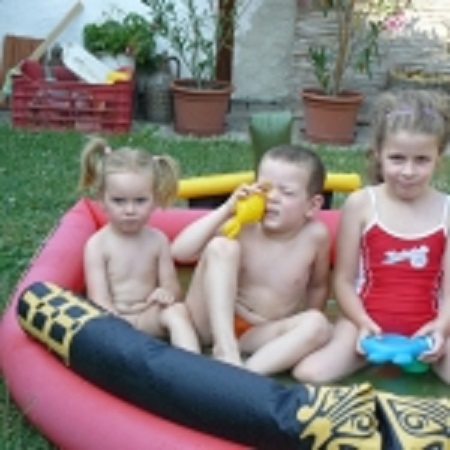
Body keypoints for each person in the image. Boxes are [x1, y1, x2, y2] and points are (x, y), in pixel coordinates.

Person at [294, 89, 450, 384]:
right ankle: (371, 359)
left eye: (421, 160)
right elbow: (342, 281)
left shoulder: (446, 211)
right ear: (378, 153)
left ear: (438, 159)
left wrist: (441, 328)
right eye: (397, 158)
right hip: (365, 324)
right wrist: (363, 323)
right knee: (310, 373)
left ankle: (422, 359)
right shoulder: (362, 204)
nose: (408, 171)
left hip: (430, 328)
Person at [171, 144, 332, 376]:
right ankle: (224, 348)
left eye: (286, 192)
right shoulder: (244, 223)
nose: (272, 197)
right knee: (222, 247)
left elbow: (318, 286)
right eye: (265, 188)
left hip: (257, 333)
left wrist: (300, 336)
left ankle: (246, 376)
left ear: (312, 205)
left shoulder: (315, 237)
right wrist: (227, 209)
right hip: (209, 323)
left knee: (318, 324)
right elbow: (180, 252)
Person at [79, 137, 199, 353]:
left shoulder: (158, 240)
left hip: (146, 316)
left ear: (155, 200)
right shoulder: (97, 245)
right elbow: (98, 300)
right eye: (119, 201)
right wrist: (121, 329)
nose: (130, 210)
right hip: (114, 320)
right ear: (102, 200)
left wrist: (165, 293)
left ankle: (192, 365)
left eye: (140, 201)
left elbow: (173, 288)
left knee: (178, 311)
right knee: (104, 326)